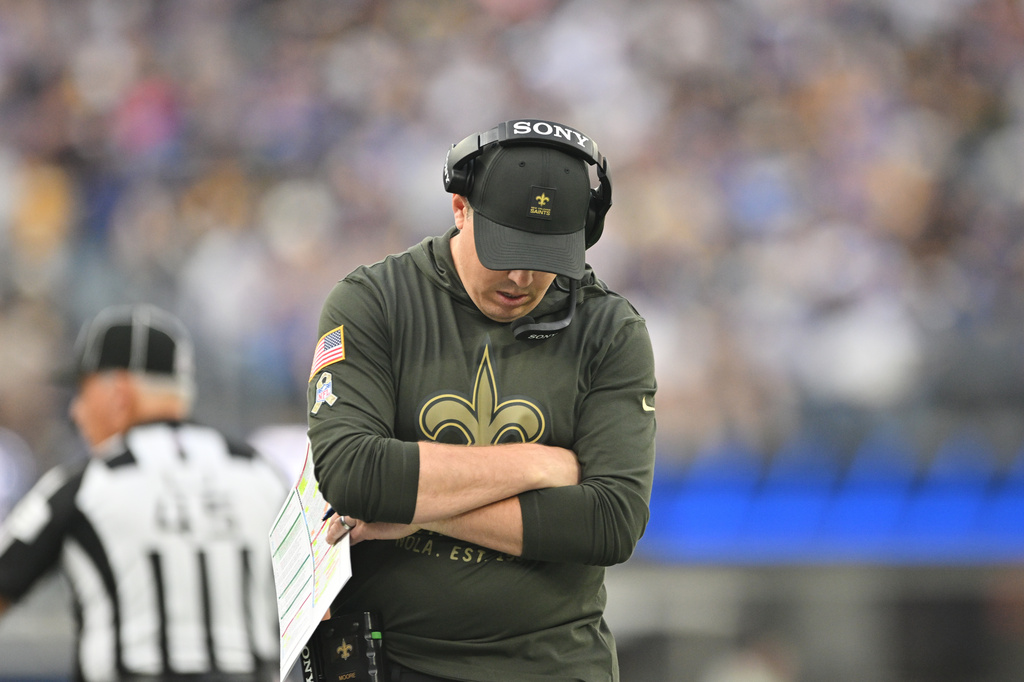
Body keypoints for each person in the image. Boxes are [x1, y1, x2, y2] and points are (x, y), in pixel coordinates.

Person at [307, 119, 657, 681]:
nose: (521, 277)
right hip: (391, 662)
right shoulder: (375, 302)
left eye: (546, 256)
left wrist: (416, 511)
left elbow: (610, 522)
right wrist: (537, 464)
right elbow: (352, 474)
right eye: (505, 250)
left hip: (552, 667)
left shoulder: (609, 330)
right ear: (460, 208)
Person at [0, 304, 287, 682]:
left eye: (83, 392)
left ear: (119, 393)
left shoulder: (86, 484)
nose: (75, 412)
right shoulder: (263, 474)